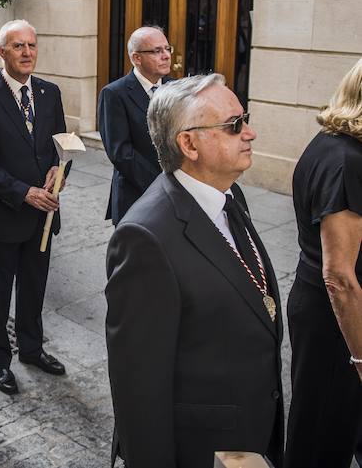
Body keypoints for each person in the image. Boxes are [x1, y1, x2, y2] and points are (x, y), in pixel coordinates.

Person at [106, 74, 284, 468]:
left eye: (246, 118)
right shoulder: (144, 238)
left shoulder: (228, 191)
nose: (250, 133)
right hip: (201, 447)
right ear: (188, 143)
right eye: (234, 125)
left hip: (250, 428)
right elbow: (139, 388)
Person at [0, 19, 68, 394]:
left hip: (43, 216)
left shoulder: (49, 93)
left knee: (35, 287)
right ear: (1, 52)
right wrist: (23, 191)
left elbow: (59, 147)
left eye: (31, 45)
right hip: (5, 216)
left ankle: (32, 348)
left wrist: (57, 171)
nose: (27, 52)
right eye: (18, 46)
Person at [284, 58, 362, 468]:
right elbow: (339, 278)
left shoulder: (332, 141)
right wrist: (361, 356)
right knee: (321, 436)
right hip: (335, 322)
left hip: (327, 312)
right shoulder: (346, 160)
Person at [98, 26, 173, 225]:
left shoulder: (176, 88)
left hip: (177, 194)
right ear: (136, 58)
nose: (166, 56)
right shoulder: (114, 93)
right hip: (136, 195)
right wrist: (162, 185)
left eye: (167, 49)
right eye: (157, 51)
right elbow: (120, 152)